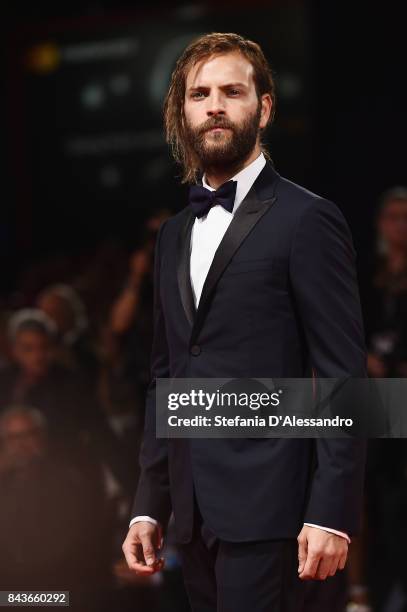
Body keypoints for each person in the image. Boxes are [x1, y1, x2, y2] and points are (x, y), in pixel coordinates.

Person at [122, 32, 367, 612]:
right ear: (181, 111)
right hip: (191, 515)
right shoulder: (172, 235)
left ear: (265, 107)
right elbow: (167, 376)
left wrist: (332, 511)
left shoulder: (309, 220)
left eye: (232, 91)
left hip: (277, 513)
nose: (214, 106)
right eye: (199, 93)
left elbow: (346, 377)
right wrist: (149, 502)